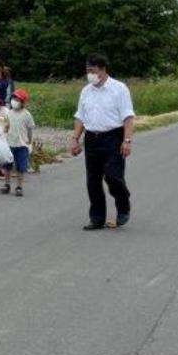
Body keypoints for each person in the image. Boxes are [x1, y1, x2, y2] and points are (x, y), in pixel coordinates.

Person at [68, 54, 135, 230]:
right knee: (93, 180)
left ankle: (123, 205)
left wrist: (127, 140)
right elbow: (80, 117)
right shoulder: (86, 91)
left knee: (113, 176)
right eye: (87, 71)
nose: (89, 74)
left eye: (92, 70)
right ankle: (97, 218)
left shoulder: (119, 89)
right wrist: (75, 139)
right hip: (92, 138)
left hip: (113, 137)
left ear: (102, 69)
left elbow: (128, 117)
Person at [2, 88, 35, 197]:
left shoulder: (27, 115)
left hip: (22, 145)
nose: (14, 101)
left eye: (17, 99)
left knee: (21, 167)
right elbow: (6, 127)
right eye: (13, 98)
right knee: (8, 166)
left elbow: (30, 129)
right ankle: (7, 184)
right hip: (10, 144)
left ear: (23, 102)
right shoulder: (9, 113)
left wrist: (30, 142)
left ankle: (19, 186)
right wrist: (2, 135)